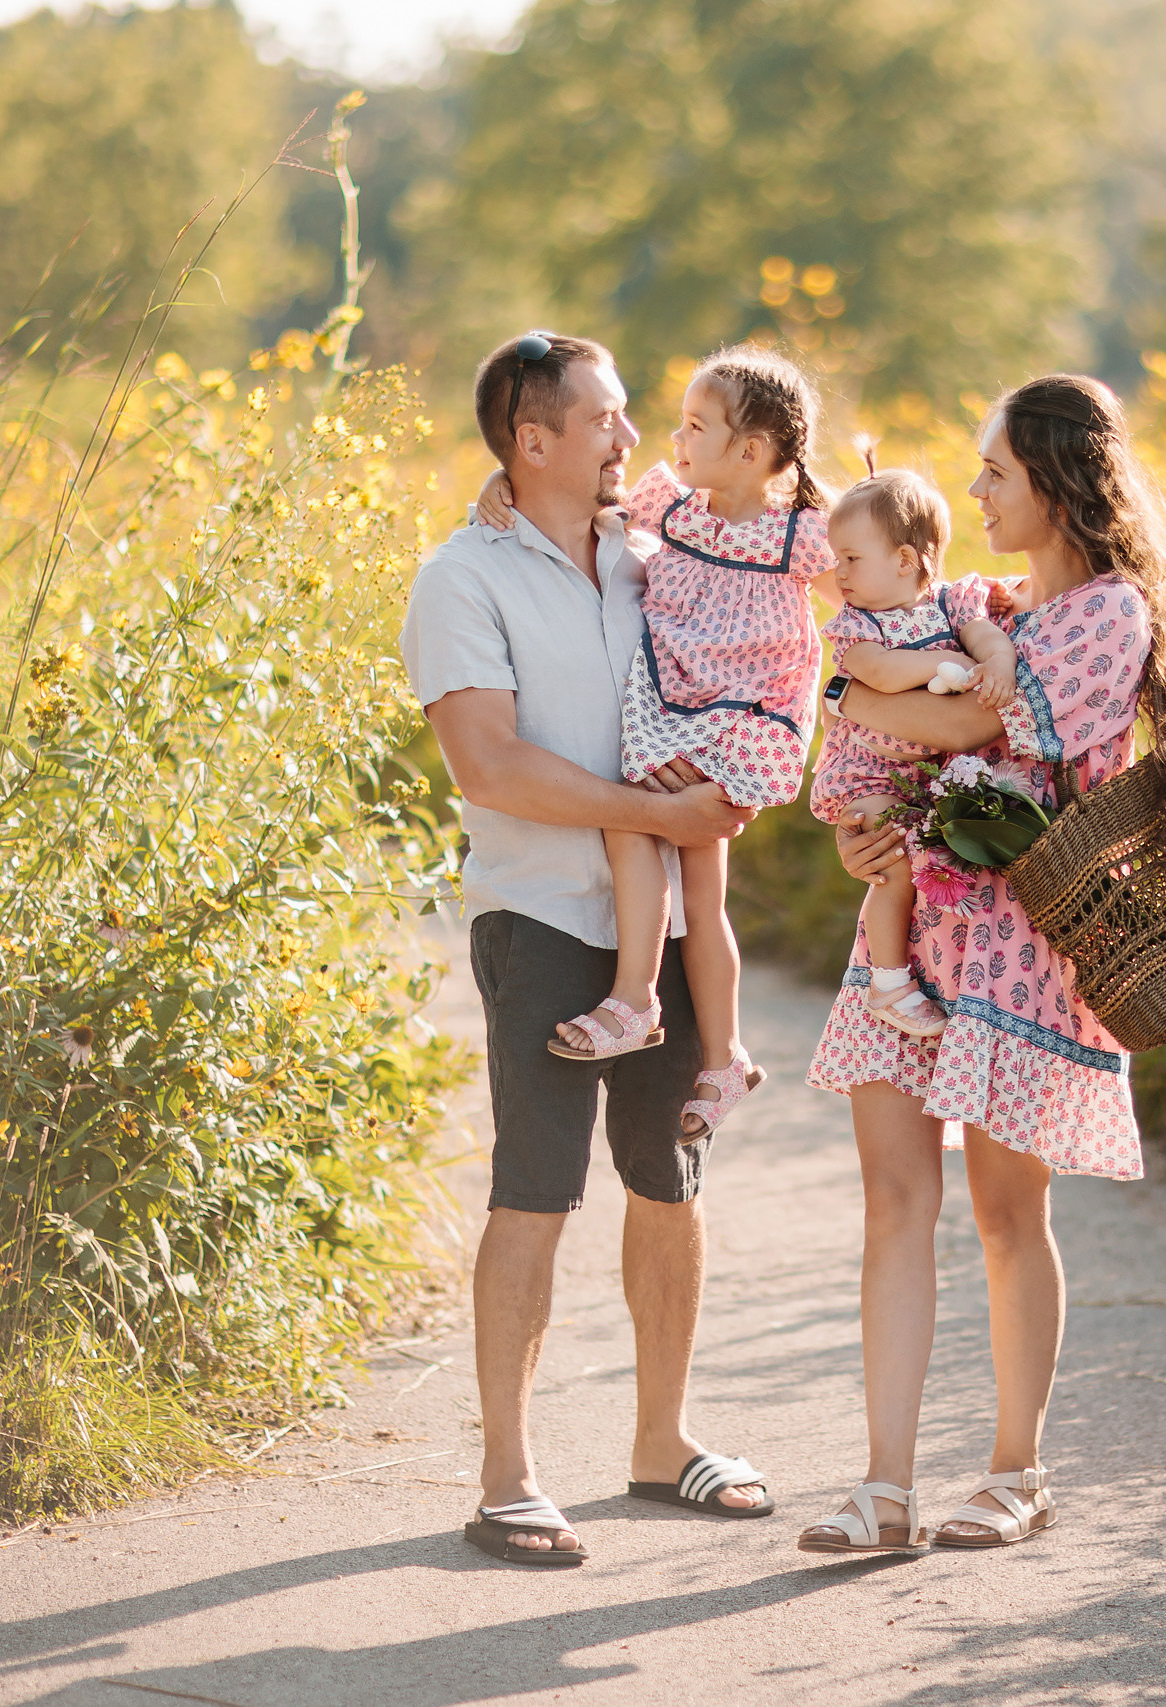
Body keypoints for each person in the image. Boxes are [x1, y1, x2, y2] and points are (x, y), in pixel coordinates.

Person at [797, 374, 1166, 1554]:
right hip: (916, 932)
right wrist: (868, 816)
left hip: (1020, 948)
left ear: (1055, 482)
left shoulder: (1109, 615)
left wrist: (850, 687)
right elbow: (910, 723)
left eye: (994, 471)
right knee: (893, 1202)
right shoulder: (981, 604)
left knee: (1007, 1213)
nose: (974, 491)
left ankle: (1016, 1468)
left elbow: (961, 729)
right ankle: (882, 1487)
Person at [401, 331, 776, 1569]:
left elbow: (776, 546)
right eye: (608, 420)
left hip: (663, 926)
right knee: (536, 1187)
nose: (631, 439)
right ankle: (506, 1475)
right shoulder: (461, 578)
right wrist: (654, 816)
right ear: (533, 443)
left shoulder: (655, 553)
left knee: (668, 1179)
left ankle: (661, 1446)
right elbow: (487, 764)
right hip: (544, 920)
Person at [477, 346, 834, 1139]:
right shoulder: (671, 507)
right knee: (692, 887)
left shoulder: (796, 535)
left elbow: (873, 568)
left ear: (752, 451)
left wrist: (950, 634)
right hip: (675, 710)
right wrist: (501, 480)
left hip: (741, 721)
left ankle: (639, 999)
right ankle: (723, 1054)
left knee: (643, 831)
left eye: (695, 426)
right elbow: (568, 504)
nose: (670, 438)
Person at [805, 464, 1019, 1039]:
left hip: (920, 779)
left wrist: (995, 662)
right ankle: (888, 981)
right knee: (891, 865)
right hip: (867, 778)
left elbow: (986, 634)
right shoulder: (857, 627)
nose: (838, 572)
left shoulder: (952, 603)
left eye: (851, 558)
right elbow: (876, 670)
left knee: (929, 861)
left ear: (904, 560)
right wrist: (943, 666)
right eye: (836, 557)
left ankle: (932, 970)